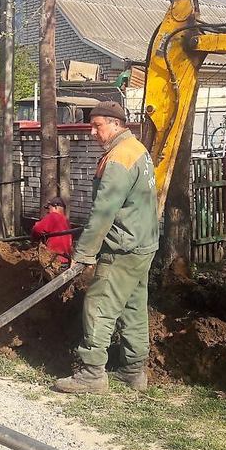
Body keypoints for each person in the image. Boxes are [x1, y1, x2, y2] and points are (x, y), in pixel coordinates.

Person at [54, 101, 159, 394]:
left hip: (123, 247)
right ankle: (134, 372)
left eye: (97, 125)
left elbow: (103, 212)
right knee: (133, 307)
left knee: (98, 305)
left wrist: (83, 254)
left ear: (116, 123)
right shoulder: (137, 149)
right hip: (143, 244)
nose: (92, 132)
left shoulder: (118, 159)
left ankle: (91, 374)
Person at [31, 196, 73, 265]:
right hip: (66, 259)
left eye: (49, 208)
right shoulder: (66, 221)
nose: (48, 211)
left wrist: (34, 240)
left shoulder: (53, 216)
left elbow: (37, 229)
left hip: (54, 260)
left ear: (55, 207)